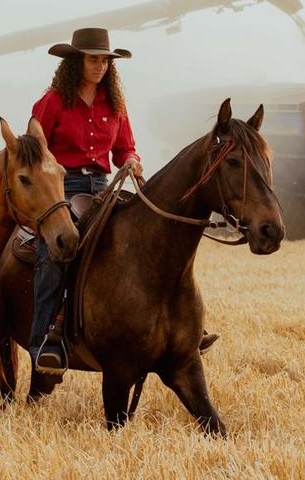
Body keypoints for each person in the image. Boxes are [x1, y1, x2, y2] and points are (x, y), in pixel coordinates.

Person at [29, 28, 217, 375]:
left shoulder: (114, 103)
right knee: (56, 251)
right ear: (76, 62)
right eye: (92, 59)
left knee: (153, 237)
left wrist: (131, 158)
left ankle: (185, 328)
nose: (100, 66)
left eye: (104, 60)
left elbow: (124, 147)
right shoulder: (53, 101)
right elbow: (34, 149)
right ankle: (45, 339)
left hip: (104, 184)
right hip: (62, 187)